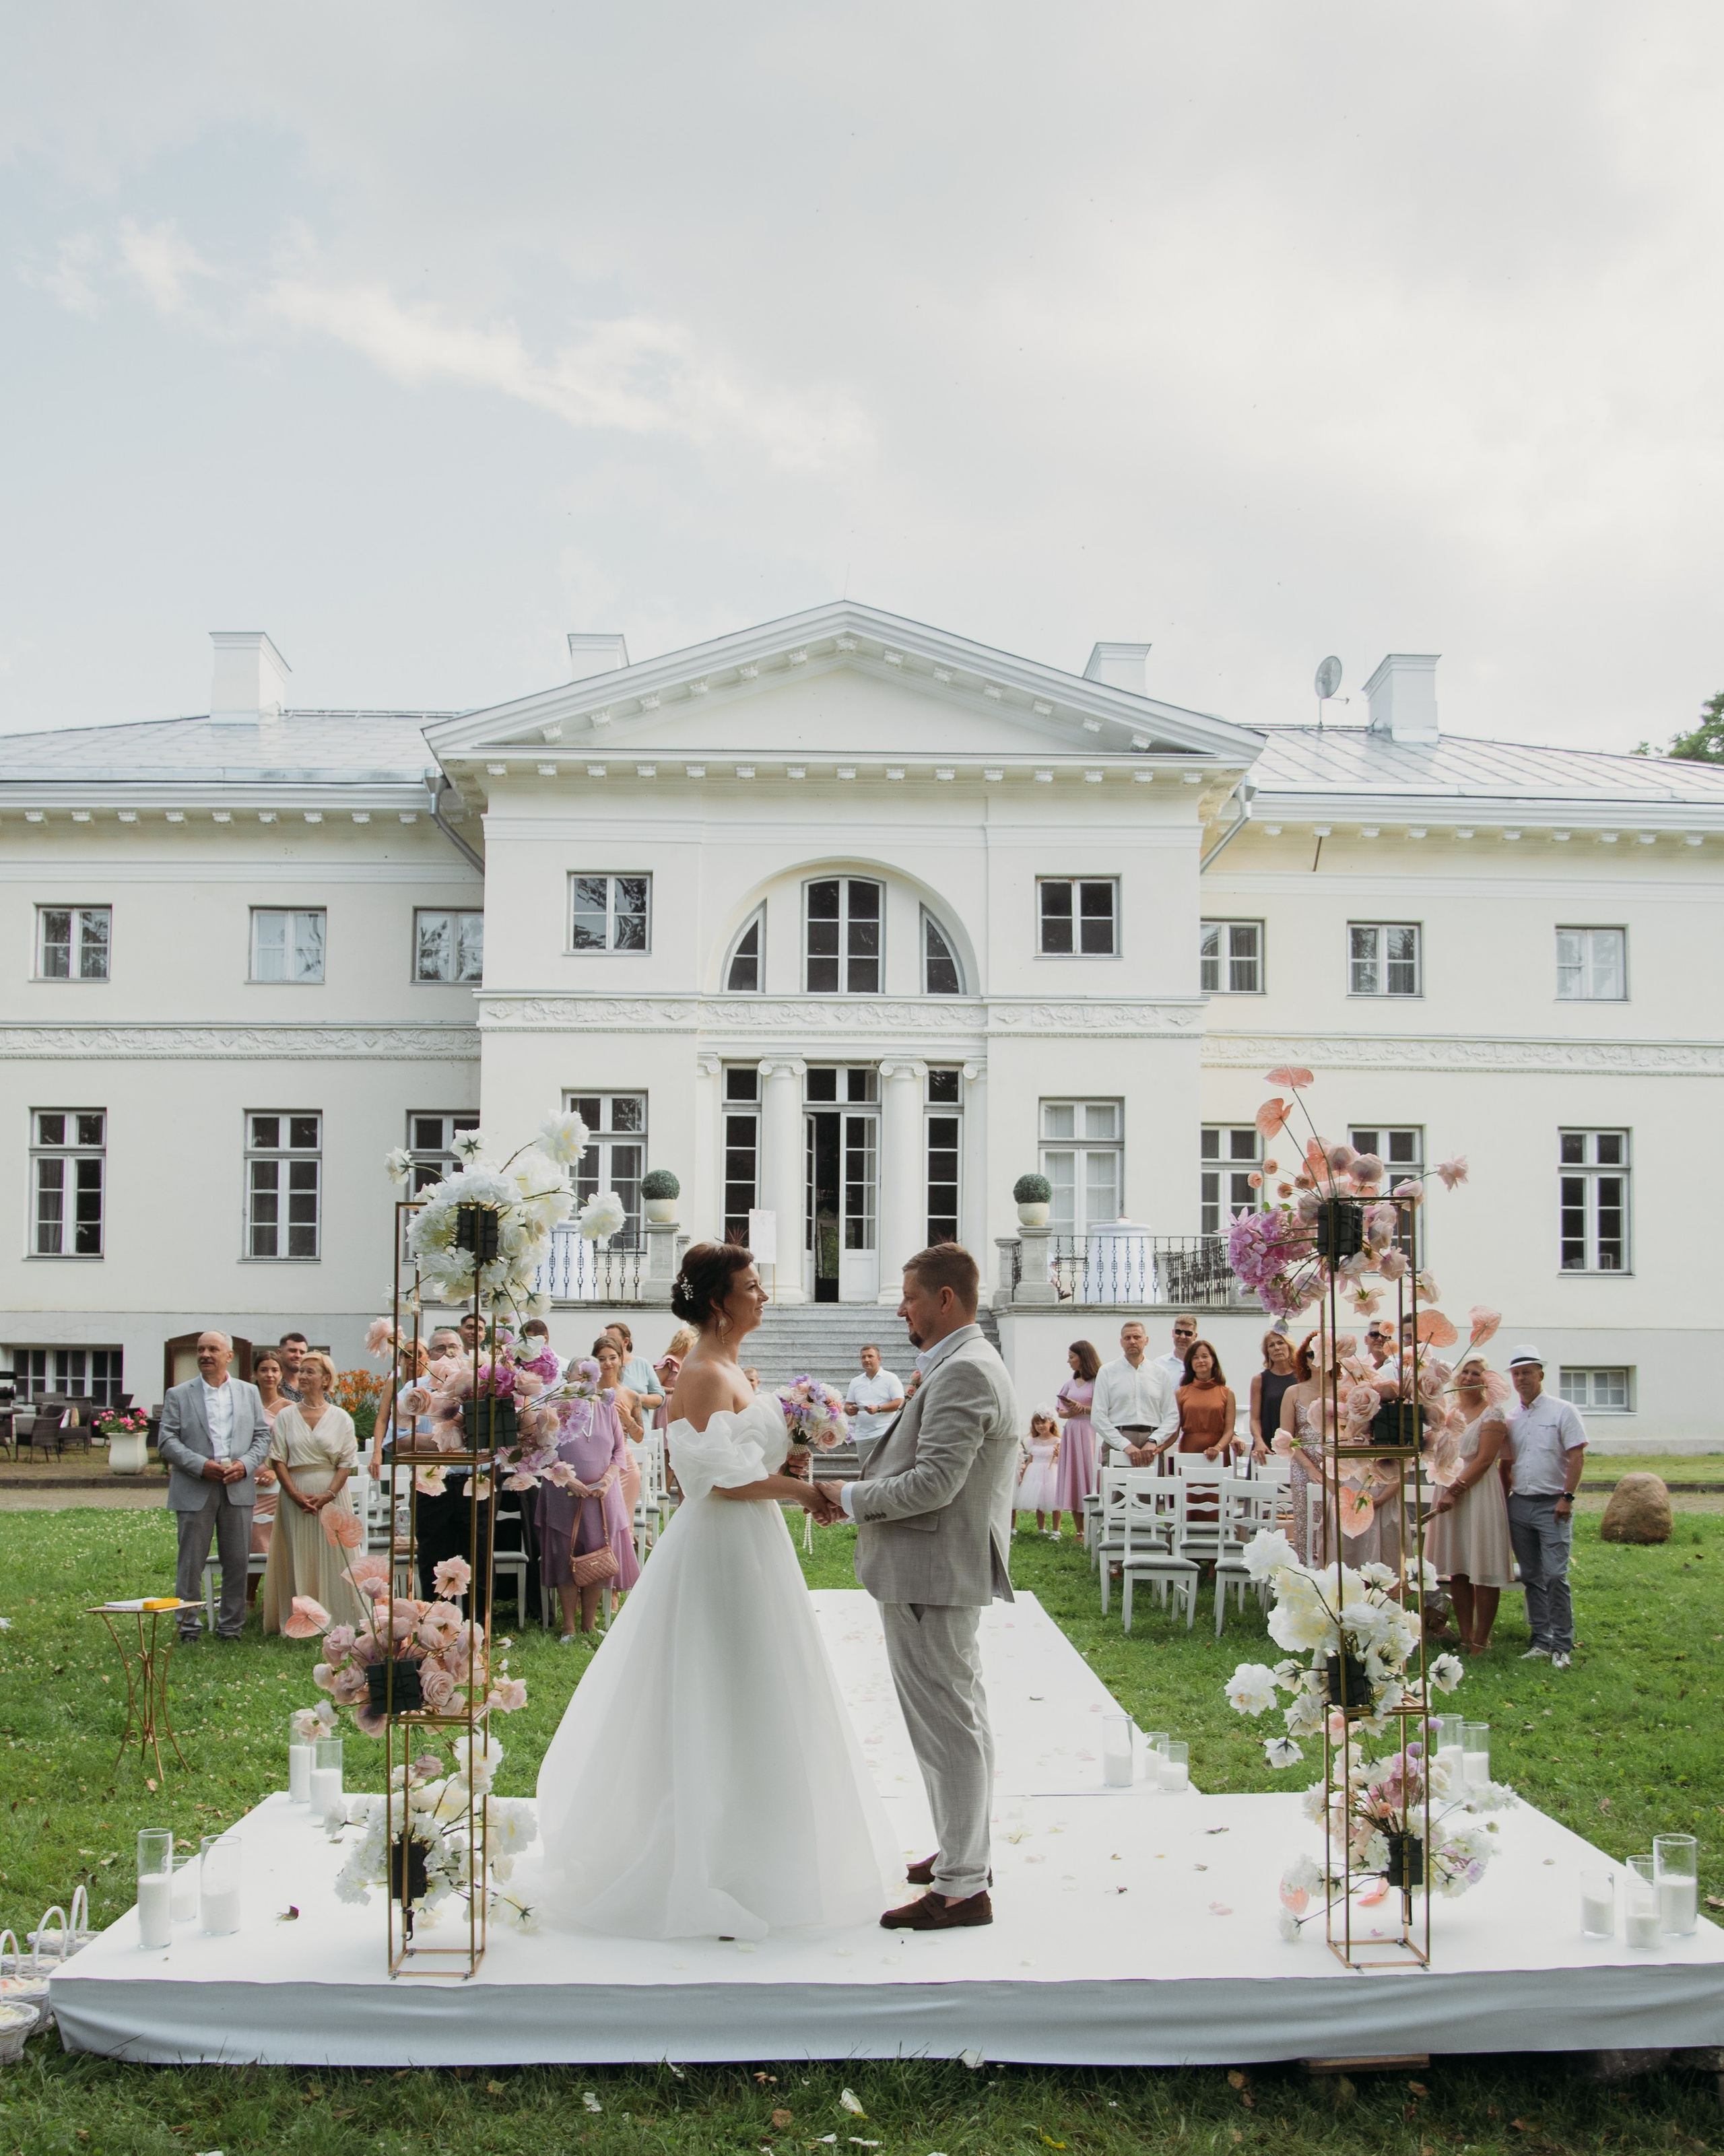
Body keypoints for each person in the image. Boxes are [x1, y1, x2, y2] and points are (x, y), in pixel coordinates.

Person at [535, 1243, 890, 1940]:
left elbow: (743, 1458)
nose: (764, 1295)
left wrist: (790, 1465)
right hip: (721, 1546)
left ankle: (760, 1852)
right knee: (719, 1688)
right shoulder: (698, 1372)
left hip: (753, 1540)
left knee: (761, 1690)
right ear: (721, 1301)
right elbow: (714, 1479)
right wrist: (807, 1489)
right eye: (753, 1287)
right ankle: (702, 1862)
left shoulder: (729, 1366)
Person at [816, 1241, 1020, 1933]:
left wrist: (848, 1496)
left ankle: (962, 1886)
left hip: (932, 1571)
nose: (900, 1308)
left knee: (947, 1728)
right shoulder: (962, 1363)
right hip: (937, 1567)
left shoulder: (965, 1371)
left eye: (907, 1296)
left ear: (944, 1299)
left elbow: (934, 1485)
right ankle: (964, 1853)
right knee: (958, 1718)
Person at [158, 1330, 271, 1642]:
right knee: (191, 1561)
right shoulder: (178, 1394)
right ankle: (188, 1628)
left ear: (229, 1356)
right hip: (195, 1486)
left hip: (237, 1485)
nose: (205, 1354)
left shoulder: (249, 1393)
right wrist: (200, 1465)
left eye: (213, 1349)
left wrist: (245, 1465)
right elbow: (166, 1440)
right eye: (201, 1349)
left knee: (237, 1561)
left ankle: (230, 1627)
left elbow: (262, 1436)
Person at [261, 1352, 365, 1633]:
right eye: (302, 1372)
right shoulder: (285, 1416)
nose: (303, 1377)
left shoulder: (341, 1418)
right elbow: (278, 1458)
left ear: (326, 1379)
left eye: (310, 1372)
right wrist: (294, 1494)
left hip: (332, 1496)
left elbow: (346, 1463)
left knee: (336, 1554)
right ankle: (300, 1620)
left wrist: (329, 1496)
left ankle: (339, 1616)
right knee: (297, 1553)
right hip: (296, 1494)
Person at [537, 1361, 640, 1640]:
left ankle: (589, 1624)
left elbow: (620, 1449)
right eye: (577, 1375)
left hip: (602, 1496)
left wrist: (607, 1480)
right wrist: (567, 1478)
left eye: (589, 1376)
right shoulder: (554, 1408)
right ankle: (568, 1626)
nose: (583, 1381)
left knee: (597, 1555)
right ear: (567, 1378)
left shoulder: (607, 1408)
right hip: (563, 1493)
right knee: (565, 1557)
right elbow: (544, 1449)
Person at [1502, 1345, 1586, 1669]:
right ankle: (1540, 1640)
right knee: (1532, 1576)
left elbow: (1577, 1456)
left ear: (1541, 1374)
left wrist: (1568, 1497)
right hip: (1520, 1505)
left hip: (1553, 1504)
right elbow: (1507, 1463)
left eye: (1527, 1372)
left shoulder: (1563, 1411)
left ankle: (1562, 1645)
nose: (1522, 1378)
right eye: (1517, 1373)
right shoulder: (1511, 1417)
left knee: (1555, 1575)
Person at [1427, 1357, 1513, 1654]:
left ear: (1486, 1381)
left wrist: (1456, 1490)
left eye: (1477, 1373)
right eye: (1465, 1371)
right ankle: (1465, 1635)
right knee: (1459, 1569)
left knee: (1483, 1567)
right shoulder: (1447, 1411)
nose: (1469, 1377)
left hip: (1478, 1493)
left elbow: (1485, 1459)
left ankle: (1481, 1639)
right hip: (1447, 1487)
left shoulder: (1493, 1413)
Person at [1090, 1321, 1180, 1466]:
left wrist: (1154, 1440)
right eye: (1127, 1338)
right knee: (1118, 1488)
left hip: (1151, 1443)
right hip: (1118, 1441)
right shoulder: (1107, 1371)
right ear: (1121, 1342)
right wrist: (1124, 1445)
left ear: (1146, 1340)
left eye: (1137, 1337)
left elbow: (1172, 1415)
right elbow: (1097, 1416)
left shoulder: (1160, 1373)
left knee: (1151, 1488)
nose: (1132, 1341)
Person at [245, 1349, 288, 1607]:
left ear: (281, 1375)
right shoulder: (245, 1404)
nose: (269, 1375)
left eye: (274, 1370)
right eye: (264, 1370)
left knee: (276, 1542)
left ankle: (277, 1599)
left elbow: (291, 1447)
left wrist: (275, 1470)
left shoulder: (289, 1408)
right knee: (252, 1540)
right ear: (255, 1374)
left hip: (277, 1479)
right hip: (248, 1477)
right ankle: (248, 1597)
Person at [1050, 1340, 1100, 1541]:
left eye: (1072, 1357)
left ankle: (1093, 1526)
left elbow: (1104, 1408)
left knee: (1089, 1476)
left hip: (1089, 1432)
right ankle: (1080, 1530)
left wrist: (1084, 1409)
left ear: (1083, 1358)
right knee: (1074, 1477)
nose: (1069, 1361)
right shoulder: (1069, 1383)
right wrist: (1070, 1411)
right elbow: (1059, 1411)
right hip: (1072, 1431)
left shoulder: (1097, 1381)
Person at [368, 1339, 430, 1480]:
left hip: (423, 1446)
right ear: (401, 1358)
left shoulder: (431, 1383)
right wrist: (377, 1453)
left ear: (428, 1357)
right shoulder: (395, 1381)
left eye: (419, 1354)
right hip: (399, 1440)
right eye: (408, 1354)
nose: (413, 1358)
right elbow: (382, 1419)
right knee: (396, 1493)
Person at [1249, 1332, 1297, 1468]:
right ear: (1268, 1352)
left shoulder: (1302, 1377)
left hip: (1295, 1443)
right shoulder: (1260, 1380)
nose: (1277, 1348)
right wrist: (1259, 1441)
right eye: (1271, 1345)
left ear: (1289, 1346)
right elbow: (1254, 1419)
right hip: (1267, 1444)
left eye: (1281, 1343)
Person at [605, 1322, 665, 1423]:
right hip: (609, 1429)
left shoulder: (642, 1364)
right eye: (606, 1340)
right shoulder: (602, 1366)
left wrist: (636, 1398)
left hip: (638, 1431)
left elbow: (659, 1398)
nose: (608, 1344)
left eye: (612, 1340)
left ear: (626, 1341)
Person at [1015, 1409, 1062, 1535]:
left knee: (1054, 1502)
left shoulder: (1057, 1441)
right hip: (1034, 1473)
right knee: (1038, 1500)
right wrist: (1023, 1475)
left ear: (1051, 1423)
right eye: (1037, 1423)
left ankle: (1056, 1531)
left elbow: (1061, 1460)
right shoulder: (1032, 1441)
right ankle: (1042, 1529)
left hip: (1051, 1472)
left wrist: (1059, 1455)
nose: (1040, 1426)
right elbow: (1030, 1459)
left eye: (1043, 1422)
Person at [846, 1345, 906, 1436]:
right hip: (862, 1435)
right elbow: (848, 1405)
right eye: (863, 1357)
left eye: (870, 1356)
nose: (866, 1360)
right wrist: (849, 1410)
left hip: (885, 1432)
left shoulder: (890, 1378)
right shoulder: (855, 1381)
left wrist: (878, 1408)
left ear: (879, 1359)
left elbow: (900, 1402)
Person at [1157, 1316, 1200, 1382]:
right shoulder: (1159, 1364)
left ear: (1195, 1336)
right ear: (1173, 1333)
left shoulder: (1202, 1364)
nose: (1183, 1337)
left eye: (1188, 1333)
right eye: (1178, 1332)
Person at [521, 1318, 561, 1382]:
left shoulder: (563, 1366)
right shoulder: (519, 1365)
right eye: (524, 1341)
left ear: (545, 1339)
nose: (528, 1345)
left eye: (531, 1341)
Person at [277, 1332, 309, 1401]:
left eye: (302, 1352)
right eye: (292, 1351)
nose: (298, 1355)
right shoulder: (272, 1384)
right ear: (280, 1353)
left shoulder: (314, 1385)